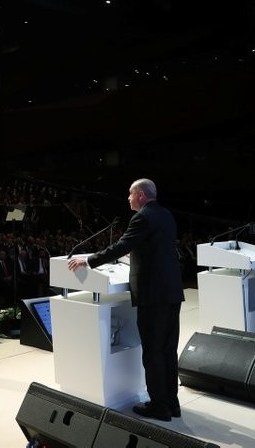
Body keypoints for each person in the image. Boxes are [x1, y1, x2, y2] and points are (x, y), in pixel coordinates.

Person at [67, 178, 184, 422]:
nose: (128, 198)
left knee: (152, 352)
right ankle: (172, 403)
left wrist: (88, 261)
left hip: (153, 295)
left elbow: (122, 246)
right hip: (171, 291)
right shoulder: (166, 215)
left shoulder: (142, 217)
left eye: (130, 194)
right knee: (168, 350)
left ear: (141, 195)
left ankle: (159, 407)